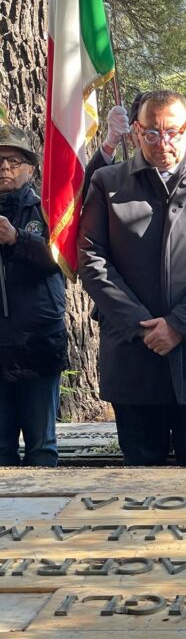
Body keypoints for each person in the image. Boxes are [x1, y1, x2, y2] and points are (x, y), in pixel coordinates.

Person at [78, 89, 186, 466]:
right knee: (140, 478)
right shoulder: (108, 183)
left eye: (172, 131)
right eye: (151, 133)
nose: (162, 142)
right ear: (136, 132)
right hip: (133, 355)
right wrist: (143, 327)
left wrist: (180, 325)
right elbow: (91, 258)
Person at [0, 123, 67, 466]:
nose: (5, 169)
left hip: (39, 344)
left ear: (30, 167)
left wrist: (18, 239)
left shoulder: (48, 209)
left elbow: (62, 261)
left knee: (42, 446)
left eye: (12, 161)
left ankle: (42, 519)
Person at [83, 95, 142, 197]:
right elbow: (85, 193)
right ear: (130, 138)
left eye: (170, 131)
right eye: (140, 132)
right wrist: (109, 144)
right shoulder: (118, 176)